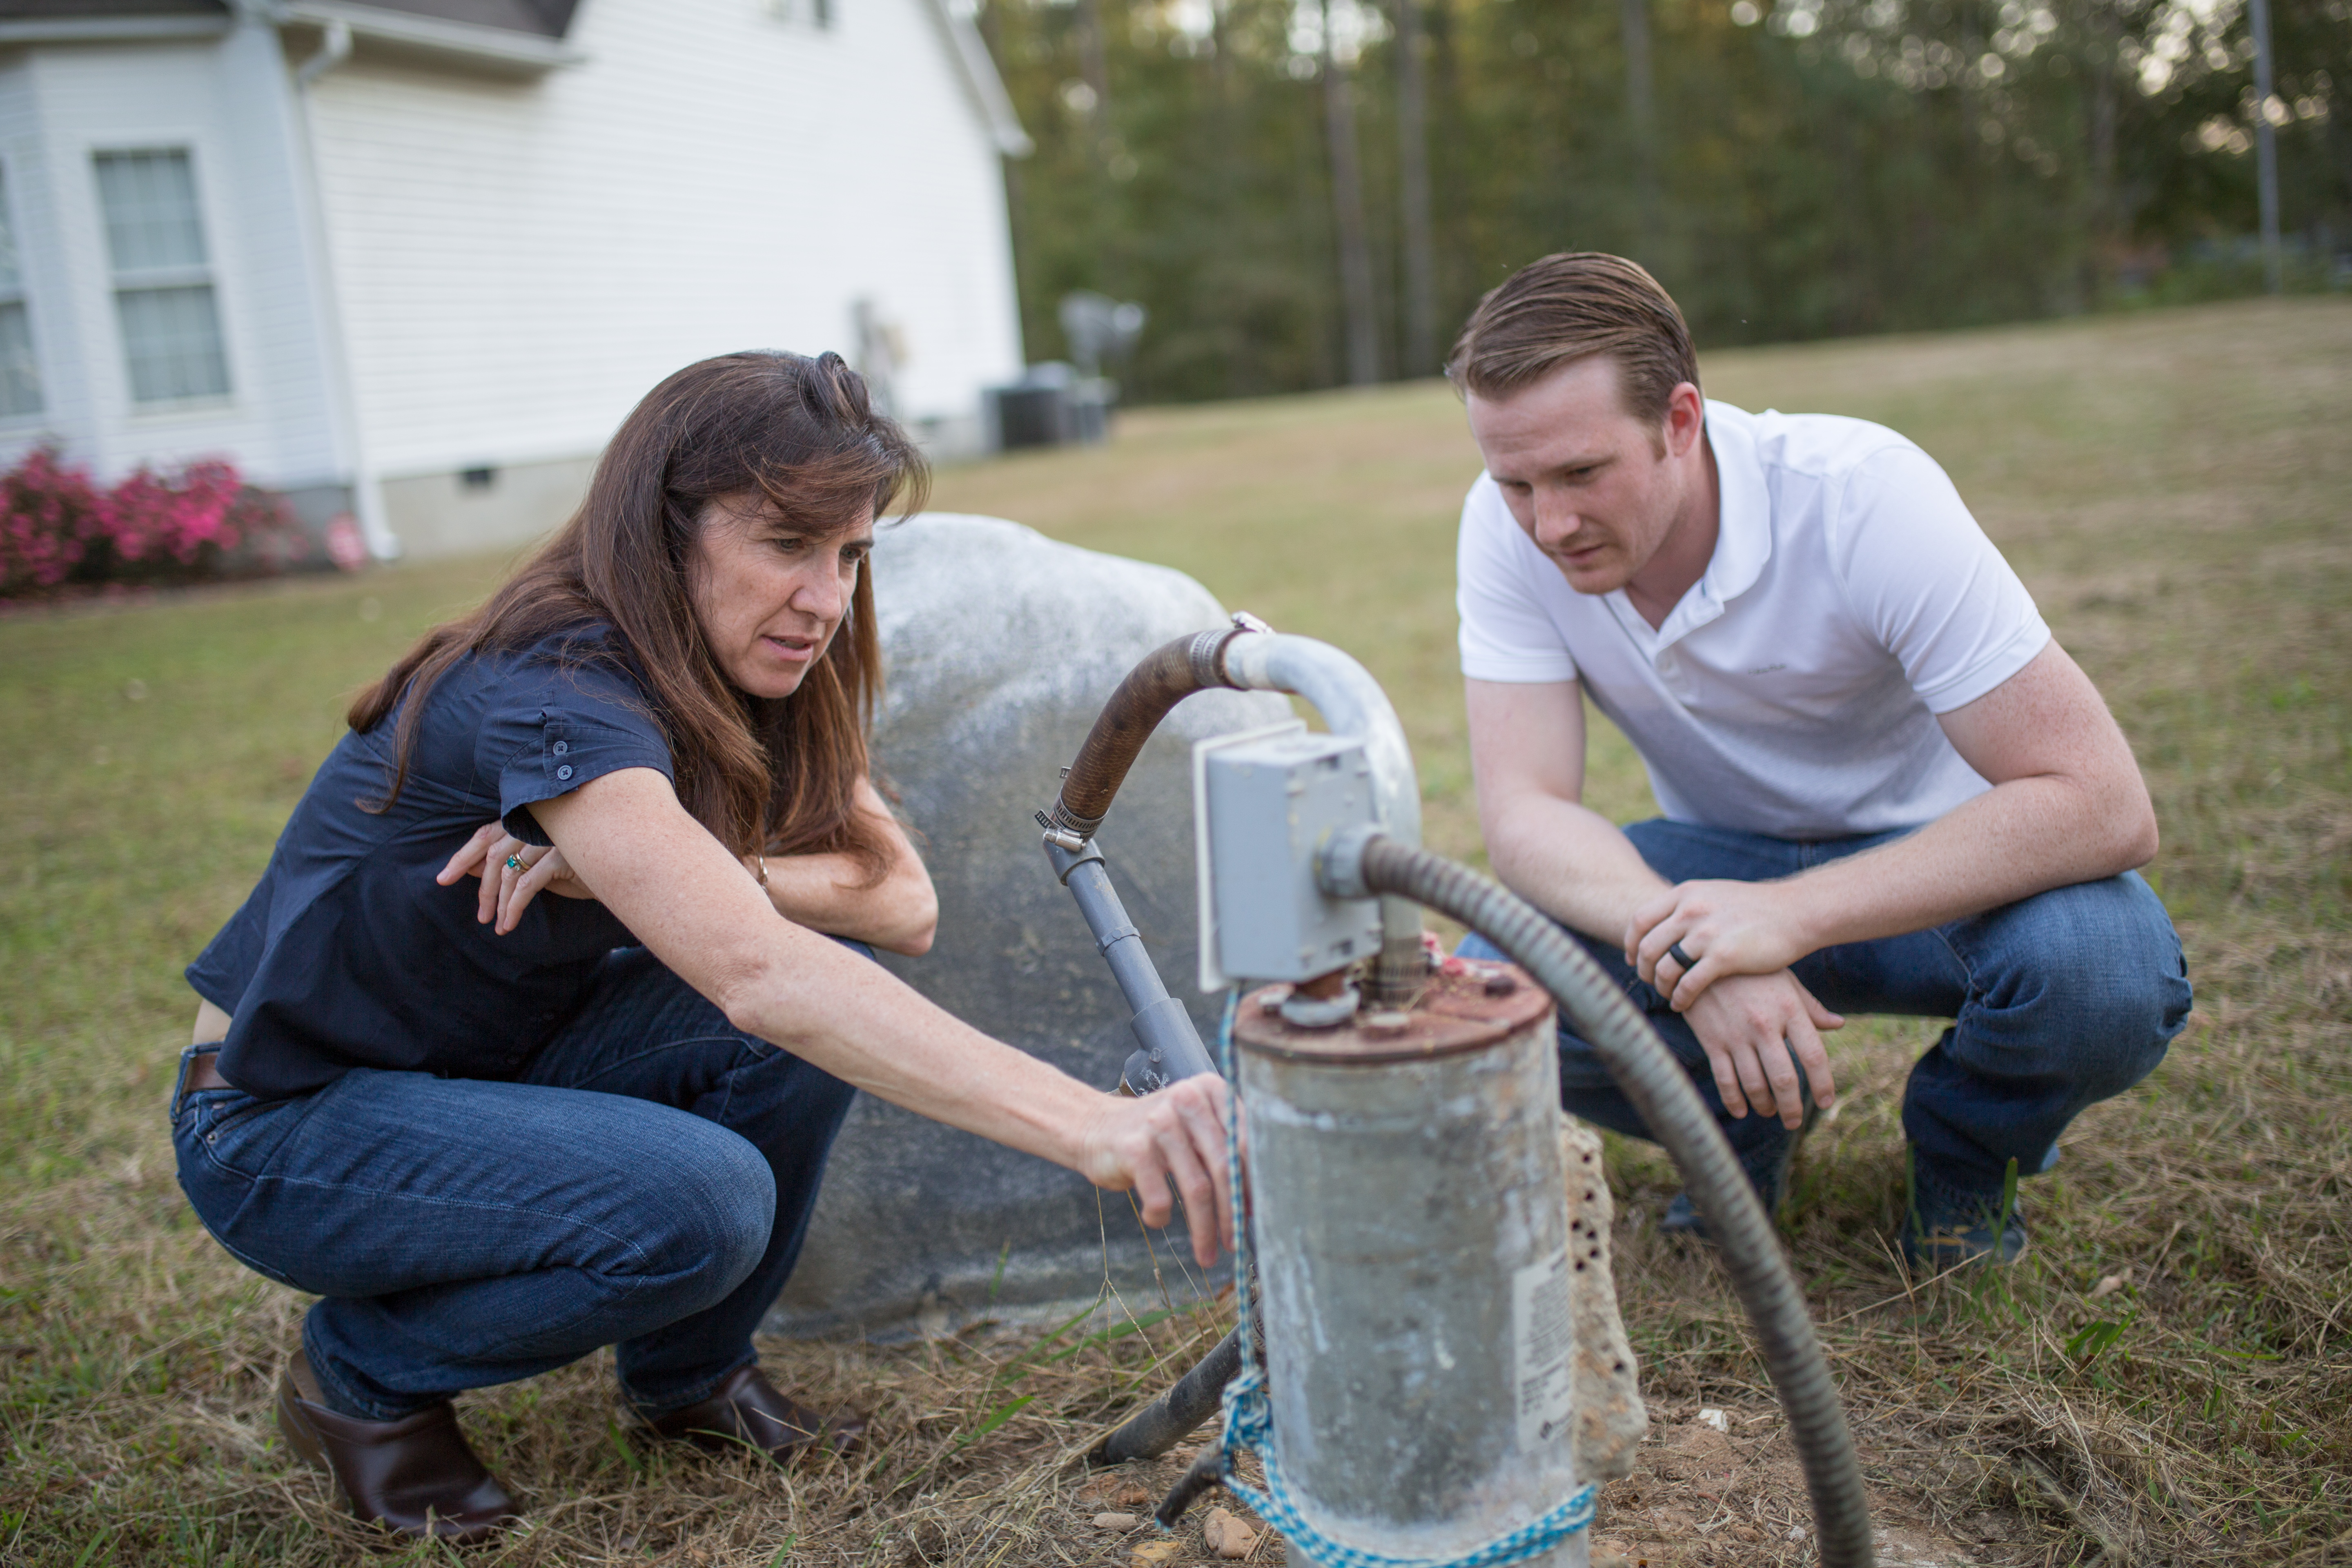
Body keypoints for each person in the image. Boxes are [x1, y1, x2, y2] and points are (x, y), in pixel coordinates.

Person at [172, 351, 1234, 1543]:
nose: (827, 600)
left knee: (826, 1015)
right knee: (703, 1201)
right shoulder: (557, 679)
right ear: (663, 531)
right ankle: (360, 1380)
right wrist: (1093, 1125)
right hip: (283, 1120)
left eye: (850, 556)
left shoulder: (744, 666)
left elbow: (900, 903)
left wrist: (677, 872)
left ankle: (689, 1379)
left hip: (479, 1073)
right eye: (788, 545)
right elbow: (763, 973)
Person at [1448, 254, 2191, 1268]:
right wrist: (1693, 954)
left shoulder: (1859, 497)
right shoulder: (1506, 531)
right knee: (1484, 995)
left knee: (2107, 971)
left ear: (1681, 420)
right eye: (1515, 482)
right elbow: (1525, 811)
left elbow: (2104, 804)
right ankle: (1739, 1128)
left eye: (1581, 473)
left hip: (1944, 874)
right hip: (1720, 865)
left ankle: (1971, 1160)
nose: (1549, 523)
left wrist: (1783, 920)